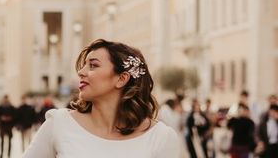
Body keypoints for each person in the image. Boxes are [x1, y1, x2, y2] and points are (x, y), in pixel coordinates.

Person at [23, 39, 180, 157]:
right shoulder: (59, 124)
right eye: (83, 65)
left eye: (93, 65)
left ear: (121, 79)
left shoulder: (161, 137)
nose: (81, 72)